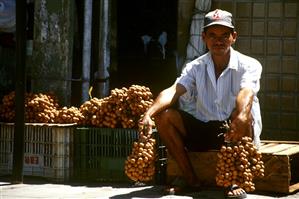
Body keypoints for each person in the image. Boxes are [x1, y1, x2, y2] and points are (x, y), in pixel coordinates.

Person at [140, 9, 262, 198]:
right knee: (164, 116)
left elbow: (246, 92)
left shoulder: (249, 64)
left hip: (233, 131)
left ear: (234, 37)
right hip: (204, 129)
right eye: (212, 35)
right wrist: (148, 113)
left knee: (245, 113)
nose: (218, 41)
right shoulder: (195, 67)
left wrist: (242, 114)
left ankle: (235, 180)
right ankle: (191, 179)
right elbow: (174, 90)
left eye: (224, 35)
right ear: (204, 37)